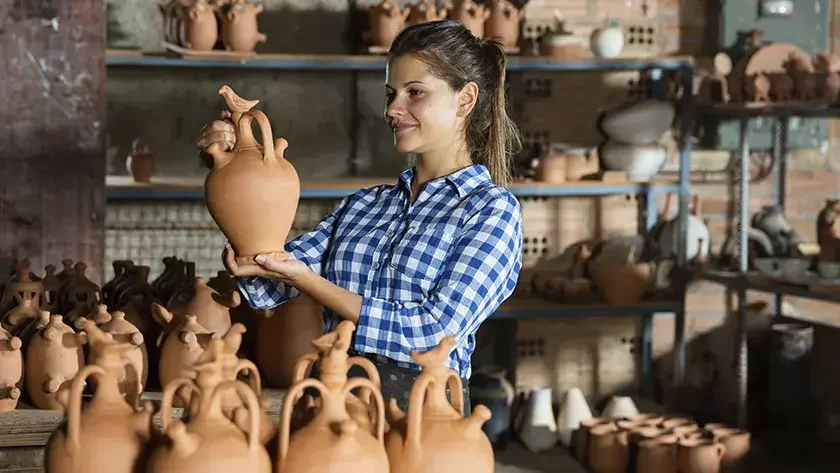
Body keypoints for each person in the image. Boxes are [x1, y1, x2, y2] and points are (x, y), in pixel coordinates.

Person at [196, 20, 524, 415]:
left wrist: (310, 282)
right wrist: (230, 162)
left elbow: (434, 333)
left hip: (422, 417)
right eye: (390, 94)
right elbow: (267, 273)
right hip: (331, 400)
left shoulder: (491, 210)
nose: (392, 109)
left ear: (465, 99)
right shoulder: (365, 206)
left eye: (414, 93)